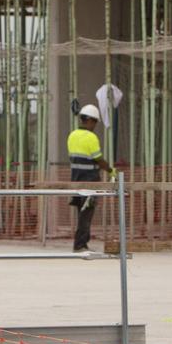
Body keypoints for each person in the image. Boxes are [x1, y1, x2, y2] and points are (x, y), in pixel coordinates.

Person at [67, 104, 112, 252]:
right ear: (91, 121)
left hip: (76, 180)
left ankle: (82, 243)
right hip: (90, 182)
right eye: (95, 122)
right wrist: (111, 171)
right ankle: (80, 244)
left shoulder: (72, 135)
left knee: (82, 212)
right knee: (86, 214)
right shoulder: (91, 137)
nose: (95, 126)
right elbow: (98, 159)